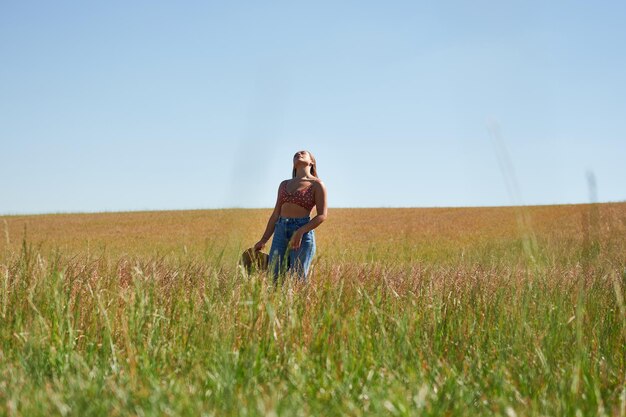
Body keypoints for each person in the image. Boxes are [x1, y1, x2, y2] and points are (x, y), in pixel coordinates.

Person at [254, 150, 327, 283]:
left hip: (302, 233)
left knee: (298, 278)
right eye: (296, 155)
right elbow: (276, 214)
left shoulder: (317, 184)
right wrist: (263, 240)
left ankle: (301, 304)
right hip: (280, 230)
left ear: (312, 162)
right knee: (273, 278)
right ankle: (276, 304)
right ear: (293, 164)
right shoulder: (284, 184)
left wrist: (300, 231)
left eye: (303, 153)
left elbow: (322, 215)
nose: (299, 154)